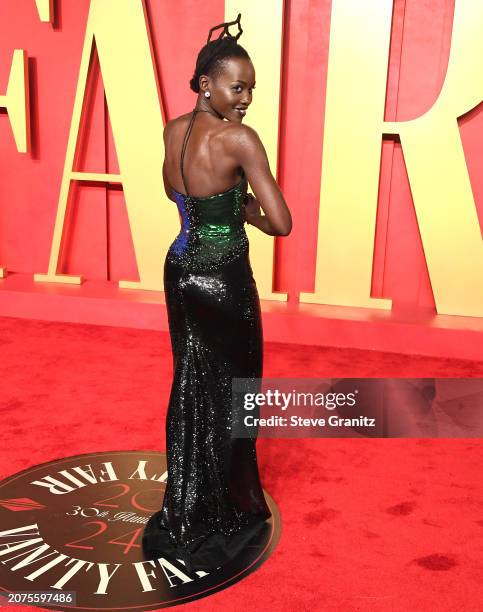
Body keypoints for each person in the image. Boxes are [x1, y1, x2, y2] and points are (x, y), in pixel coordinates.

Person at [142, 13, 292, 573]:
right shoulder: (240, 138)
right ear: (206, 82)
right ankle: (236, 499)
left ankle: (189, 499)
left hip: (179, 271)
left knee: (190, 384)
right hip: (224, 278)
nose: (247, 97)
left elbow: (171, 190)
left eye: (251, 88)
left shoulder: (172, 129)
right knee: (238, 392)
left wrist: (213, 208)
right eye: (238, 85)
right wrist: (239, 210)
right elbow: (280, 222)